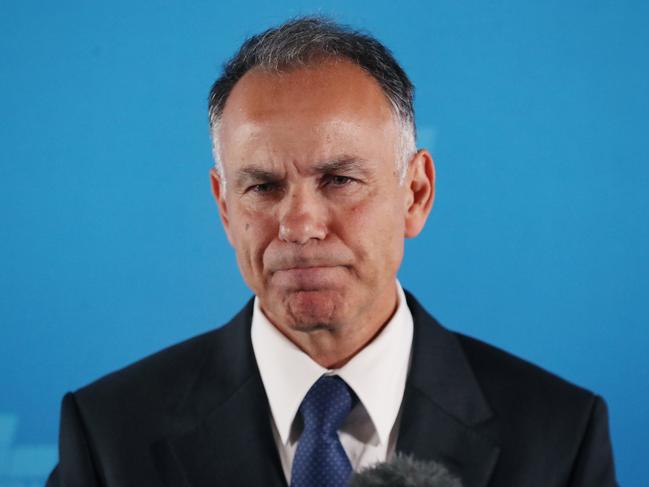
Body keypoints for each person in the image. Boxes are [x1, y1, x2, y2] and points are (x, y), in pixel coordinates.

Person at [46, 17, 618, 487]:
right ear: (225, 209)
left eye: (340, 179)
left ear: (415, 194)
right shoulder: (108, 435)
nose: (298, 225)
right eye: (263, 187)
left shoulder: (559, 436)